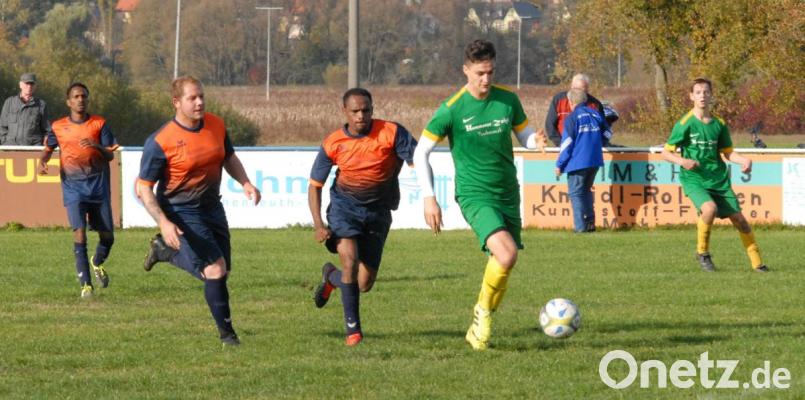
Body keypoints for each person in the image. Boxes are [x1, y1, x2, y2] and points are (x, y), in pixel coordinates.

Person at [413, 39, 543, 351]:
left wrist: (533, 139)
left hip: (507, 193)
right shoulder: (452, 109)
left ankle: (481, 320)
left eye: (490, 72)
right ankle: (482, 313)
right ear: (466, 70)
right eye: (480, 73)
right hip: (474, 194)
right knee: (507, 253)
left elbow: (523, 135)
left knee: (506, 261)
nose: (486, 80)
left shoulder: (508, 100)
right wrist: (429, 197)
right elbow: (421, 153)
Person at [135, 76, 262, 346]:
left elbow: (228, 157)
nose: (200, 102)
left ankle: (165, 251)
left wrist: (246, 182)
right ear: (176, 102)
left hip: (212, 206)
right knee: (215, 270)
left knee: (222, 272)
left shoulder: (216, 124)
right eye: (192, 98)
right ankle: (228, 337)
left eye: (201, 96)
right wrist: (164, 222)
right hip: (181, 209)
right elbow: (144, 188)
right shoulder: (160, 141)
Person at [309, 88, 417, 347]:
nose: (361, 116)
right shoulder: (333, 142)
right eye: (355, 111)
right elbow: (314, 185)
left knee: (364, 282)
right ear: (344, 112)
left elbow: (418, 160)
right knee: (350, 261)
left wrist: (426, 191)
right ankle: (353, 332)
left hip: (379, 212)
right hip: (344, 209)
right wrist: (318, 224)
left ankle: (330, 278)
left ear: (372, 109)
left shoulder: (391, 132)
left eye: (366, 110)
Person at [661, 77, 769, 273]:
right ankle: (703, 253)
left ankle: (758, 264)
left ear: (711, 95)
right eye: (698, 92)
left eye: (706, 92)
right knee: (709, 209)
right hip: (694, 178)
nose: (702, 95)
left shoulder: (718, 124)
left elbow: (727, 152)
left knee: (740, 220)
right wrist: (682, 161)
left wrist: (743, 160)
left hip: (719, 179)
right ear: (691, 96)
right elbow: (665, 152)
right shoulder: (684, 123)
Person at [38, 82, 118, 298]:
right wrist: (42, 161)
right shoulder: (58, 127)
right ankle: (86, 286)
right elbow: (48, 149)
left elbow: (110, 155)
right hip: (73, 188)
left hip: (98, 186)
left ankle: (97, 261)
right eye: (76, 96)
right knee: (79, 232)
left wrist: (96, 146)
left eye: (84, 96)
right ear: (69, 101)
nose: (80, 99)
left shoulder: (100, 124)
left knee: (108, 237)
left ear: (87, 99)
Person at [554, 89, 612, 233]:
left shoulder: (572, 118)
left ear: (571, 102)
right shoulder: (596, 114)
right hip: (595, 160)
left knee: (575, 193)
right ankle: (590, 223)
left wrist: (559, 164)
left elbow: (567, 143)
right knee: (586, 191)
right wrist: (598, 142)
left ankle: (580, 228)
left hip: (578, 162)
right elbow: (608, 133)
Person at [544, 73, 606, 147]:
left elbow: (603, 129)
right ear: (571, 87)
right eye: (576, 89)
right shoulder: (558, 100)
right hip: (562, 147)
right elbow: (550, 125)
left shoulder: (595, 105)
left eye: (582, 91)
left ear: (587, 90)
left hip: (586, 149)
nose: (578, 93)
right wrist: (561, 144)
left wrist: (594, 145)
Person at [1, 73, 53, 145]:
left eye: (32, 84)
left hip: (32, 150)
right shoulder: (9, 102)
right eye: (26, 83)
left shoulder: (41, 105)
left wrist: (43, 144)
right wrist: (5, 143)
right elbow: (2, 127)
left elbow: (47, 129)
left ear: (35, 86)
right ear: (20, 85)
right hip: (11, 149)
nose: (29, 86)